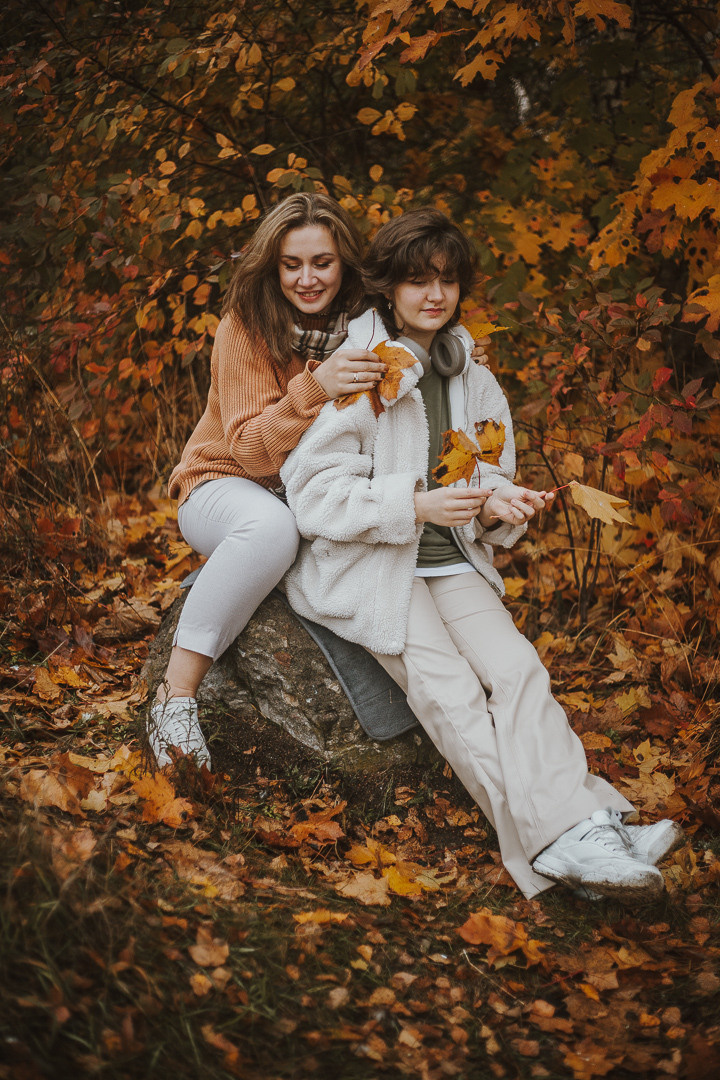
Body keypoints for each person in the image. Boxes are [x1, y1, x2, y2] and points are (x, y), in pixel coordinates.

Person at [279, 208, 684, 901]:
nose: (435, 294)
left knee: (519, 670)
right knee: (453, 695)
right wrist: (415, 505)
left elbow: (488, 471)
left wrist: (498, 502)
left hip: (450, 560)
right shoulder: (366, 373)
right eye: (418, 281)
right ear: (388, 289)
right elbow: (311, 493)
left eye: (447, 280)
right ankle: (574, 838)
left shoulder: (475, 378)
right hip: (373, 569)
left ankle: (584, 838)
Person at [148, 193, 388, 768]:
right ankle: (174, 699)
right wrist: (317, 387)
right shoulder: (245, 327)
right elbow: (251, 450)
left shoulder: (366, 326)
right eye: (291, 264)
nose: (307, 279)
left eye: (322, 263)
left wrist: (458, 355)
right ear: (272, 266)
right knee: (270, 529)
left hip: (315, 492)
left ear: (345, 263)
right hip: (222, 483)